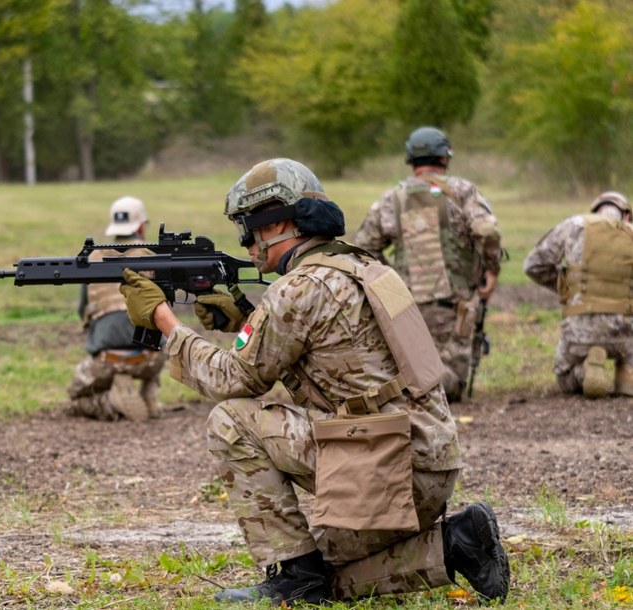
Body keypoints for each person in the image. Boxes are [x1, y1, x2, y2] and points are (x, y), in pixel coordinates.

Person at [118, 158, 510, 606]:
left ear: (280, 222)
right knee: (327, 575)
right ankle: (458, 542)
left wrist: (163, 321)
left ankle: (294, 577)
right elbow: (341, 357)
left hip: (387, 468)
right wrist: (249, 320)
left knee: (231, 421)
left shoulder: (298, 289)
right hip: (427, 462)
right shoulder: (368, 267)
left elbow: (234, 379)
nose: (246, 242)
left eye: (250, 227)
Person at [355, 127, 503, 402]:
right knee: (451, 387)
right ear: (445, 159)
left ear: (411, 161)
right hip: (455, 306)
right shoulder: (462, 191)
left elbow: (363, 246)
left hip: (404, 307)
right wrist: (491, 269)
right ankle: (428, 385)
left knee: (416, 372)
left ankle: (409, 383)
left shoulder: (392, 198)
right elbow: (488, 232)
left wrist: (391, 286)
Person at [524, 191, 633, 399]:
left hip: (581, 331)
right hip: (627, 332)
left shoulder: (574, 225)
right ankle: (627, 371)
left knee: (564, 376)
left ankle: (583, 371)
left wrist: (570, 289)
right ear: (627, 216)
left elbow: (533, 265)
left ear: (595, 212)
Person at [67, 196, 167, 421]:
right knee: (158, 333)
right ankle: (149, 394)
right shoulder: (152, 258)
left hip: (107, 360)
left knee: (75, 398)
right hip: (150, 359)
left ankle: (111, 401)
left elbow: (83, 310)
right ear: (141, 226)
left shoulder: (92, 259)